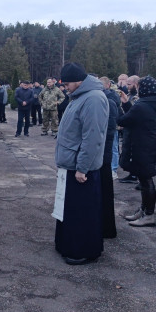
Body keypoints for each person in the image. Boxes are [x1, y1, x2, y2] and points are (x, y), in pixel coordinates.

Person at [53, 63, 108, 265]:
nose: (65, 87)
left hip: (81, 168)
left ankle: (83, 250)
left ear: (78, 81)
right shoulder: (79, 96)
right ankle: (67, 244)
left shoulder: (93, 99)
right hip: (71, 164)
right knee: (70, 210)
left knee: (82, 212)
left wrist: (82, 167)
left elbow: (92, 137)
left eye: (67, 83)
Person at [119, 77, 156, 227]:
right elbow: (134, 117)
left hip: (141, 145)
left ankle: (148, 215)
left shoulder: (142, 105)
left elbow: (124, 120)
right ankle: (144, 211)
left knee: (146, 180)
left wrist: (116, 110)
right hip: (148, 144)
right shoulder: (153, 103)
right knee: (145, 179)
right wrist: (127, 103)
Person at [98, 77, 119, 239]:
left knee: (104, 193)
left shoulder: (108, 102)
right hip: (101, 153)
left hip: (103, 155)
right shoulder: (105, 100)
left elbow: (107, 130)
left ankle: (107, 228)